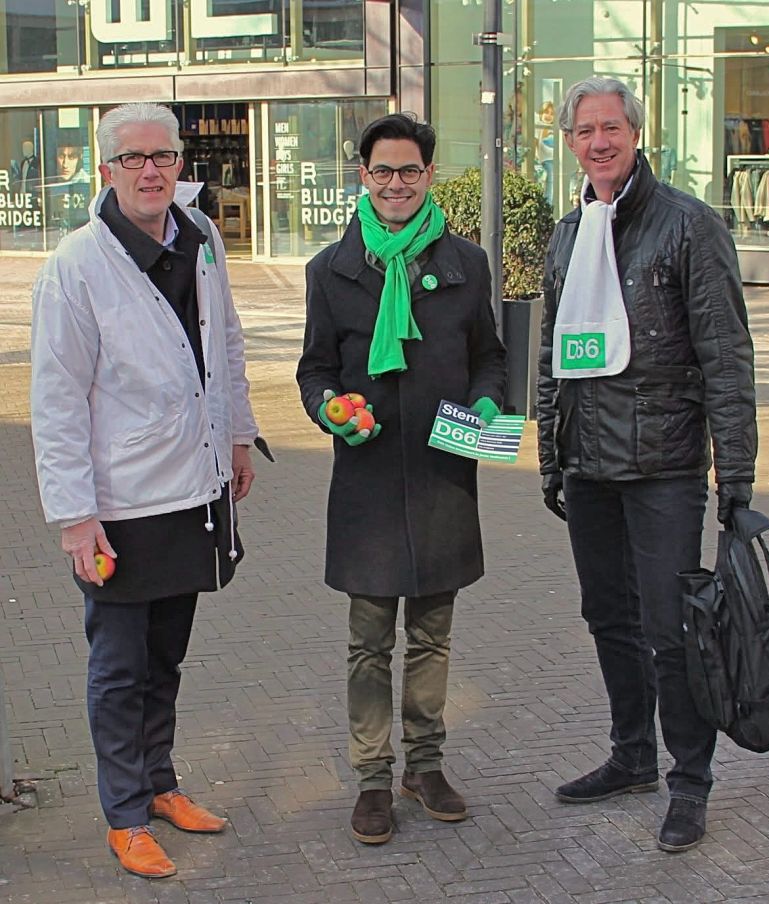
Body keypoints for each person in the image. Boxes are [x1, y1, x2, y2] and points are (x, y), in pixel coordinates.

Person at [29, 102, 263, 879]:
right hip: (120, 504)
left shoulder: (200, 240)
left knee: (167, 657)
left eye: (163, 155)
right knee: (119, 668)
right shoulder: (76, 264)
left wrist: (236, 435)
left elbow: (223, 340)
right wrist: (74, 518)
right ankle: (124, 814)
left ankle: (159, 784)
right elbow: (57, 398)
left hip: (191, 489)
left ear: (179, 163)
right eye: (133, 159)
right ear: (105, 172)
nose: (151, 170)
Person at [536, 77, 758, 853]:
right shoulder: (568, 233)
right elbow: (552, 356)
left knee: (674, 632)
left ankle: (689, 782)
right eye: (584, 131)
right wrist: (550, 456)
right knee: (610, 620)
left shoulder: (689, 227)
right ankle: (632, 756)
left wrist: (737, 477)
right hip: (590, 464)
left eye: (611, 127)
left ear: (636, 131)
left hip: (663, 465)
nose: (599, 142)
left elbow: (726, 357)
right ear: (570, 143)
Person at [296, 113, 506, 845]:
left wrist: (487, 400)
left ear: (428, 176)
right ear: (362, 176)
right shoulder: (331, 270)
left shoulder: (465, 263)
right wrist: (330, 409)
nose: (395, 184)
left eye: (409, 171)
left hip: (445, 473)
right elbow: (315, 369)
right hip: (368, 481)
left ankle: (426, 763)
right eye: (382, 171)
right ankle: (374, 780)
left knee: (433, 636)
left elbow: (490, 355)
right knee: (368, 640)